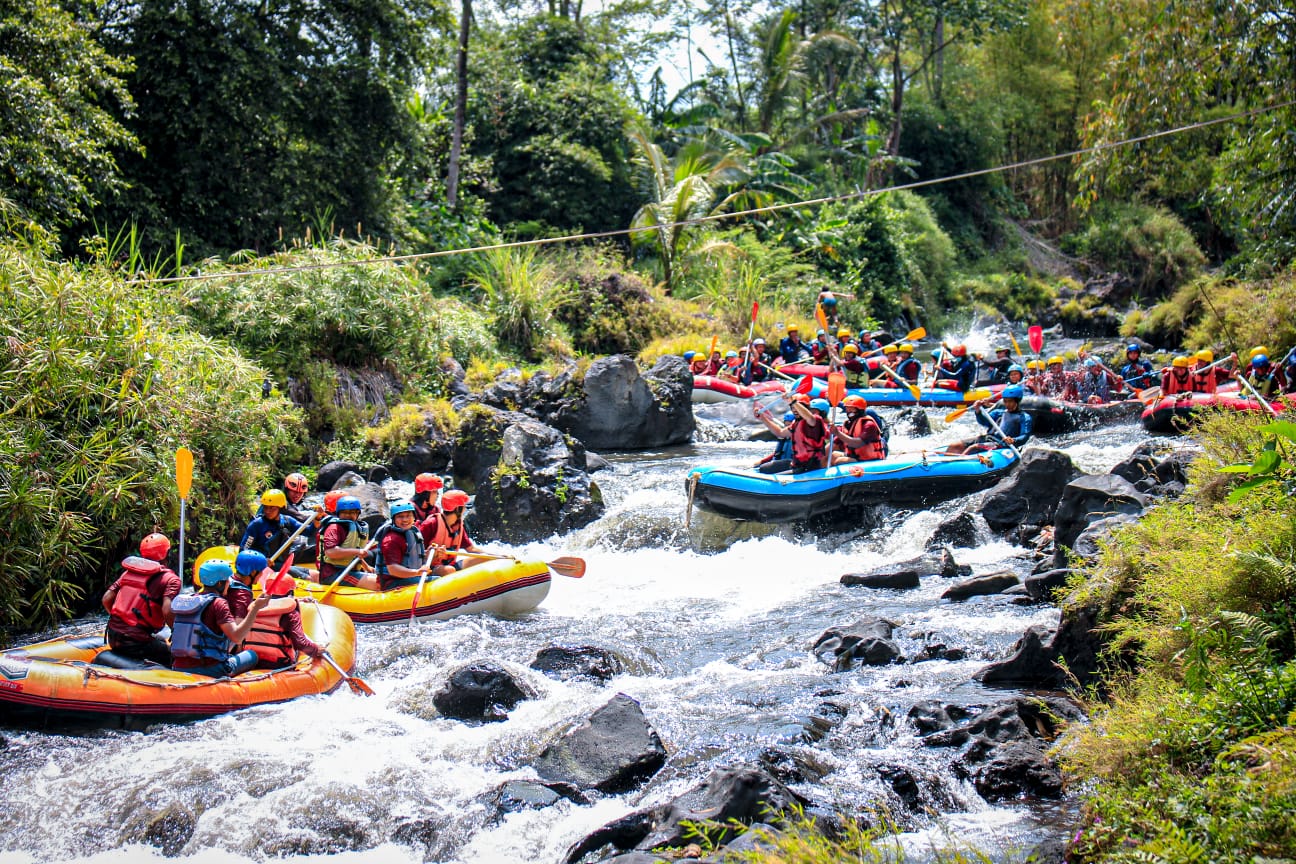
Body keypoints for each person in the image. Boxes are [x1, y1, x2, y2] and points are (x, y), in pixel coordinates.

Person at [170, 560, 267, 678]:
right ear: (220, 584)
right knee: (252, 655)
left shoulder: (188, 600)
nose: (229, 583)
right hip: (210, 669)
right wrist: (255, 608)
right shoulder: (219, 603)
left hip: (178, 666)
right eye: (227, 581)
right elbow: (237, 637)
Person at [101, 533, 183, 666]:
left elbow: (106, 599)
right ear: (166, 553)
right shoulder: (170, 580)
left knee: (161, 640)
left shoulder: (128, 573)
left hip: (113, 636)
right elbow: (167, 611)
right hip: (135, 643)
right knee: (177, 659)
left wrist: (122, 622)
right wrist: (178, 633)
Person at [245, 568, 326, 669]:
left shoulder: (254, 607)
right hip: (279, 663)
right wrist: (316, 650)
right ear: (290, 592)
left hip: (252, 660)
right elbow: (301, 643)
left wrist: (299, 600)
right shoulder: (290, 614)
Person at [241, 490, 323, 568]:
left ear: (281, 508)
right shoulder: (256, 525)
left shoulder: (287, 521)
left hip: (280, 564)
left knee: (312, 574)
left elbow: (309, 532)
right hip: (263, 565)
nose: (267, 511)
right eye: (266, 507)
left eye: (272, 508)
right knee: (307, 576)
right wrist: (261, 561)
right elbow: (244, 550)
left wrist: (317, 519)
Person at [946, 385, 1032, 454]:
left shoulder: (1024, 417)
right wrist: (978, 411)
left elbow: (1025, 436)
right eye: (1005, 401)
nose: (1007, 404)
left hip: (1001, 444)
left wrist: (1013, 440)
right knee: (954, 446)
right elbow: (983, 422)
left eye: (1010, 401)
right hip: (987, 439)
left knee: (973, 448)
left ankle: (958, 464)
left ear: (1017, 401)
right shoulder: (999, 413)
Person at [420, 489, 487, 577]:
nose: (465, 509)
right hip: (430, 568)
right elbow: (417, 552)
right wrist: (431, 554)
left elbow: (471, 549)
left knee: (484, 558)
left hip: (451, 565)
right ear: (457, 508)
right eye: (463, 506)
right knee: (449, 570)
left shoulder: (458, 525)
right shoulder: (431, 524)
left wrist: (494, 555)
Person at [316, 495, 373, 588]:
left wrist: (367, 567)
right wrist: (357, 552)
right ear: (338, 513)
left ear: (358, 514)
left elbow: (353, 553)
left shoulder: (354, 528)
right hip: (334, 574)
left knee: (378, 579)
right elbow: (330, 552)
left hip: (349, 570)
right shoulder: (334, 528)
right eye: (345, 512)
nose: (348, 515)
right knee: (377, 584)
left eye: (352, 513)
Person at [372, 501, 430, 590]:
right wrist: (417, 572)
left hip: (409, 577)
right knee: (436, 580)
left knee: (441, 576)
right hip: (392, 583)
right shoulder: (391, 540)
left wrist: (430, 554)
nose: (405, 520)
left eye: (408, 515)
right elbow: (393, 569)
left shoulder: (412, 532)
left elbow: (413, 557)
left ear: (414, 517)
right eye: (400, 517)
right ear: (393, 519)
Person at [834, 395, 886, 463]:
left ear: (860, 410)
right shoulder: (848, 424)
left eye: (851, 409)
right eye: (847, 409)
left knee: (839, 461)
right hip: (855, 456)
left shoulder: (869, 425)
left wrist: (838, 433)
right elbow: (835, 444)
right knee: (833, 455)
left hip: (870, 460)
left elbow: (858, 444)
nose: (848, 412)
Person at [753, 408, 796, 474]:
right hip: (781, 464)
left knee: (764, 468)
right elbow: (778, 454)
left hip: (792, 465)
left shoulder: (799, 438)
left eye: (789, 426)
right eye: (786, 425)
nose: (787, 428)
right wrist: (762, 461)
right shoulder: (784, 438)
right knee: (757, 467)